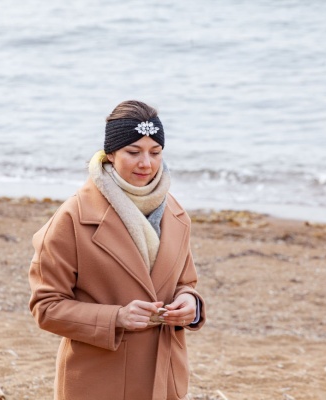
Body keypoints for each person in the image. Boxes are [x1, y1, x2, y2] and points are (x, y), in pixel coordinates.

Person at [28, 100, 206, 400]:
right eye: (133, 152)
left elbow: (184, 283)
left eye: (155, 152)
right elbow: (46, 307)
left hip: (163, 378)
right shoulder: (72, 217)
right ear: (110, 154)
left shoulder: (176, 213)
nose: (146, 163)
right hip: (98, 381)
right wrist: (117, 317)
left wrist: (191, 304)